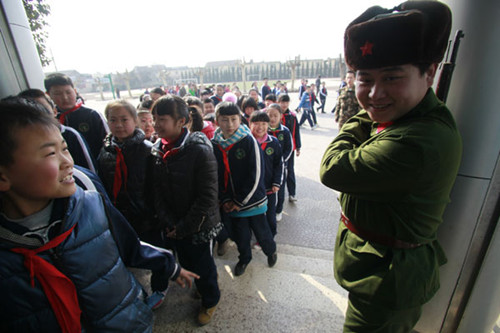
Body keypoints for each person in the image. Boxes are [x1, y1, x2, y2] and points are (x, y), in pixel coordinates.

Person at [319, 2, 461, 332]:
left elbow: (332, 168)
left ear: (429, 73)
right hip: (378, 270)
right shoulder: (406, 116)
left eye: (392, 77)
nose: (374, 93)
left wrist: (361, 118)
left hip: (387, 282)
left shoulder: (418, 140)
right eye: (364, 79)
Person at [0, 101, 198, 332]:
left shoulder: (90, 204)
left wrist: (169, 267)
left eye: (64, 149)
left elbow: (129, 244)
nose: (68, 163)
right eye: (50, 153)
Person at [145, 95, 222, 325]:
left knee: (203, 265)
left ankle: (210, 300)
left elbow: (207, 197)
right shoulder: (157, 149)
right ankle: (201, 286)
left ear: (181, 121)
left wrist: (183, 227)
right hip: (172, 224)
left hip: (198, 224)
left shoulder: (199, 150)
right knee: (187, 262)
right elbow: (156, 190)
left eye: (163, 119)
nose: (156, 124)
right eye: (154, 119)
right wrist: (169, 222)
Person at [212, 102, 277, 276]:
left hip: (252, 201)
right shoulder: (215, 144)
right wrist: (225, 199)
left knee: (262, 233)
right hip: (231, 203)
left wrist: (239, 201)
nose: (230, 124)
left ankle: (270, 251)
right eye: (224, 120)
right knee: (241, 237)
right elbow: (216, 175)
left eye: (234, 119)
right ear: (217, 120)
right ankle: (244, 259)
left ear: (241, 120)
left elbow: (256, 175)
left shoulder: (248, 141)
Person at [97, 100, 153, 239]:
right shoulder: (106, 151)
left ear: (135, 121)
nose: (119, 125)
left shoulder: (147, 150)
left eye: (124, 120)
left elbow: (157, 186)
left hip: (147, 218)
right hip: (118, 216)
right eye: (113, 120)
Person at [17, 89, 97, 173]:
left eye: (64, 149)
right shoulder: (22, 143)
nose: (39, 120)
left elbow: (90, 171)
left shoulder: (70, 135)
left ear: (55, 111)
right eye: (32, 114)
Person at [44, 73, 109, 160]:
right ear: (48, 95)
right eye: (58, 94)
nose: (65, 97)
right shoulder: (48, 120)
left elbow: (108, 144)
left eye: (68, 92)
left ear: (75, 91)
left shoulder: (92, 115)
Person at [249, 111, 282, 237]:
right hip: (252, 188)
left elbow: (279, 164)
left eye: (264, 123)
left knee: (270, 215)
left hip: (269, 187)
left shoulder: (273, 142)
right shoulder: (247, 141)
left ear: (268, 125)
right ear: (250, 124)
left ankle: (270, 237)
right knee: (255, 215)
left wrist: (276, 182)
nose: (260, 127)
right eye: (256, 123)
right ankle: (257, 236)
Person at [266, 104, 293, 222]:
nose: (272, 118)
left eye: (275, 116)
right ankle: (267, 210)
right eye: (270, 115)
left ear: (281, 116)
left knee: (279, 190)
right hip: (267, 167)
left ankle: (278, 210)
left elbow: (289, 148)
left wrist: (281, 161)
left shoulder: (285, 131)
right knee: (268, 190)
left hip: (281, 167)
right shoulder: (264, 130)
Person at [278, 94, 301, 203]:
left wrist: (298, 147)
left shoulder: (292, 116)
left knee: (290, 171)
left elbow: (296, 132)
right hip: (276, 149)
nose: (284, 104)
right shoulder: (273, 115)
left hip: (289, 149)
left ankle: (292, 193)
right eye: (282, 102)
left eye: (286, 102)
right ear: (278, 102)